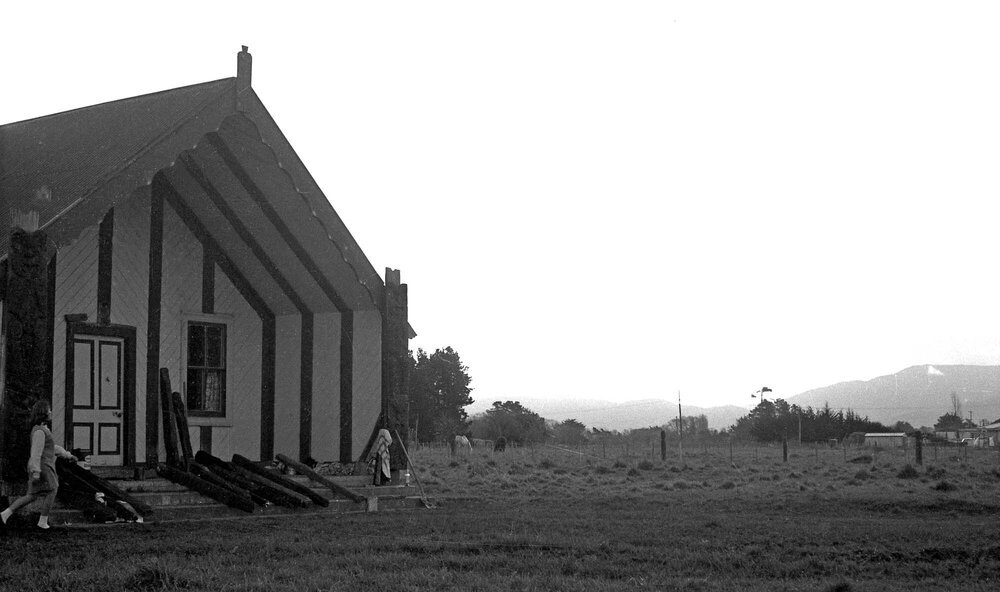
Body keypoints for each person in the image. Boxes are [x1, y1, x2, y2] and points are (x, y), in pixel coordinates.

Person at [1, 400, 76, 530]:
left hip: (41, 466)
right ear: (43, 413)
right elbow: (35, 453)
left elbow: (53, 448)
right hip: (43, 467)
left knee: (32, 495)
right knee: (53, 489)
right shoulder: (40, 432)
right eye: (49, 410)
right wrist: (36, 471)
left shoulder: (43, 430)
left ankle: (5, 514)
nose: (51, 412)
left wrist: (67, 455)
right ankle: (43, 521)